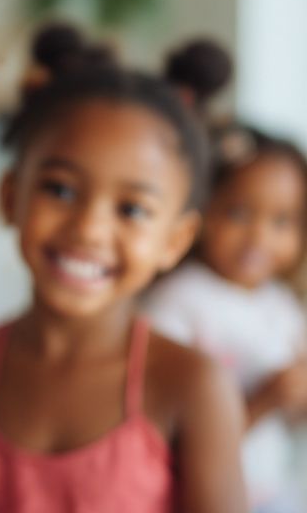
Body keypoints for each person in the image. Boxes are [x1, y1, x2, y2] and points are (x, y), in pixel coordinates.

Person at [0, 26, 247, 513]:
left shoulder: (193, 386)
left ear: (174, 241)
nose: (89, 230)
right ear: (11, 197)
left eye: (131, 209)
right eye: (61, 190)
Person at [144, 120, 307, 512]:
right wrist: (263, 402)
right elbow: (162, 436)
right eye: (239, 214)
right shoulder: (179, 302)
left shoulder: (281, 306)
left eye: (282, 221)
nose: (259, 238)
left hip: (268, 491)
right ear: (202, 211)